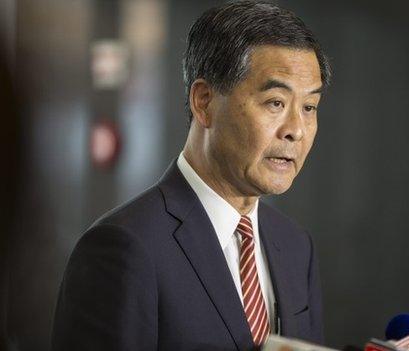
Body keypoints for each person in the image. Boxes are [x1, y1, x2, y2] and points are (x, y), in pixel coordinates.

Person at [52, 1, 331, 350]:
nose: (296, 130)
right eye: (275, 102)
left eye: (309, 108)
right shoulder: (122, 249)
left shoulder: (295, 245)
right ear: (204, 101)